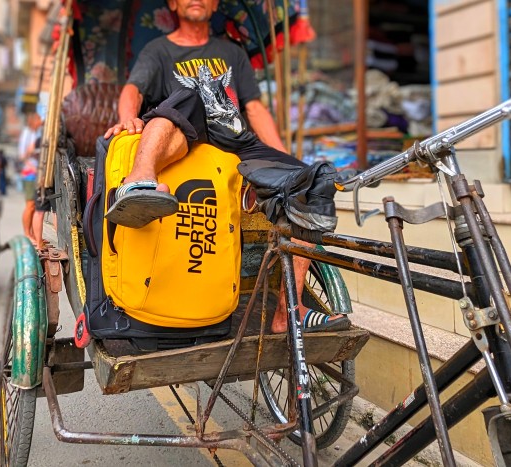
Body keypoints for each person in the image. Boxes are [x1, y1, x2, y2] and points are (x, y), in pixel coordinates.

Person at [103, 0, 348, 333]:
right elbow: (133, 90)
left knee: (311, 183)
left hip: (237, 139)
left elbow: (255, 108)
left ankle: (288, 310)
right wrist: (128, 120)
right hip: (188, 132)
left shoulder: (232, 52)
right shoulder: (158, 50)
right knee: (191, 96)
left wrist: (287, 163)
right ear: (173, 4)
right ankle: (138, 179)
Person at [18, 113, 42, 244]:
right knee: (30, 205)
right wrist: (32, 153)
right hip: (30, 173)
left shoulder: (36, 133)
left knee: (35, 205)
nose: (41, 121)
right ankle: (27, 233)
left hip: (36, 172)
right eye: (39, 119)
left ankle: (32, 233)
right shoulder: (27, 133)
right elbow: (22, 155)